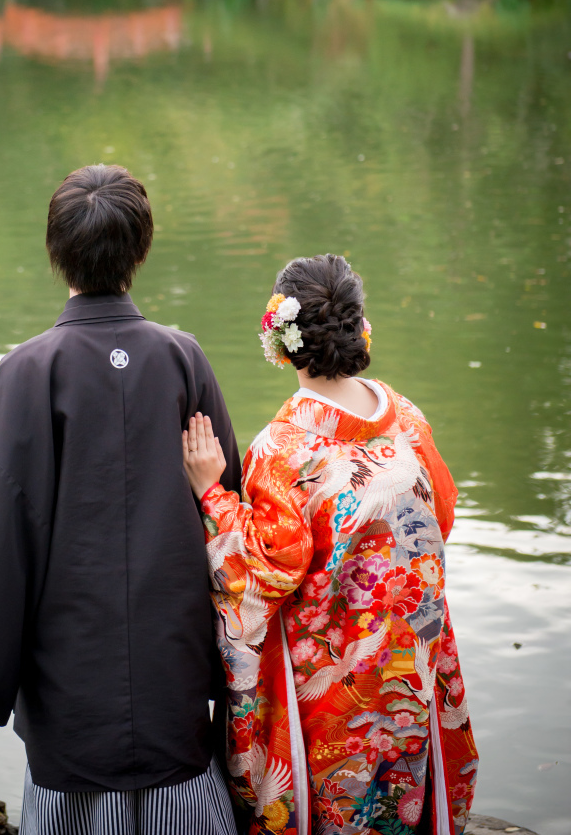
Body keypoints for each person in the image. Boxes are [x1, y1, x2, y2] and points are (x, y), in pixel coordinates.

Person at [0, 163, 241, 835]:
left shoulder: (25, 371)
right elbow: (229, 509)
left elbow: (1, 523)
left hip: (67, 663)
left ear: (55, 250)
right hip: (172, 660)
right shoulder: (183, 359)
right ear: (141, 249)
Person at [182, 254, 478, 835]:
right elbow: (440, 517)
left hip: (330, 675)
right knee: (402, 791)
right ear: (359, 327)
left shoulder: (285, 447)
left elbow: (266, 571)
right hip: (407, 659)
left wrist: (211, 493)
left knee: (337, 801)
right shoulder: (408, 420)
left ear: (281, 339)